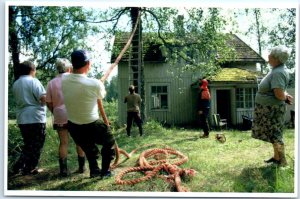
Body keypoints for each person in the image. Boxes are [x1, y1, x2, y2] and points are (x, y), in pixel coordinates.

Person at [61, 50, 115, 178]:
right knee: (109, 142)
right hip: (92, 124)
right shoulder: (95, 84)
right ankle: (105, 171)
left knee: (89, 149)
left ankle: (95, 171)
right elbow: (101, 95)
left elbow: (72, 77)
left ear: (72, 65)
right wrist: (99, 84)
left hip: (74, 126)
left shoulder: (63, 79)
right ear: (88, 63)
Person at [252, 46, 293, 167]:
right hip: (269, 107)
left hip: (272, 109)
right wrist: (285, 95)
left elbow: (279, 94)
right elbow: (280, 91)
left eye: (270, 54)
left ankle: (282, 162)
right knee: (273, 134)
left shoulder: (278, 72)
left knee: (275, 134)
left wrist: (284, 96)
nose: (268, 55)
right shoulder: (276, 70)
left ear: (276, 58)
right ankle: (276, 158)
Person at [46, 58, 86, 177]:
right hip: (75, 112)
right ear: (69, 68)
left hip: (59, 113)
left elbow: (48, 102)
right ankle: (82, 167)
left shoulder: (51, 83)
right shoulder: (75, 80)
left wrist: (55, 111)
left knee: (63, 143)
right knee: (79, 141)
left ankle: (63, 171)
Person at [12, 61, 47, 175]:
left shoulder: (16, 83)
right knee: (37, 144)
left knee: (28, 144)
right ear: (32, 70)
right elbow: (43, 98)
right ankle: (29, 167)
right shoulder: (33, 81)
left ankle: (21, 166)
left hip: (22, 117)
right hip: (35, 117)